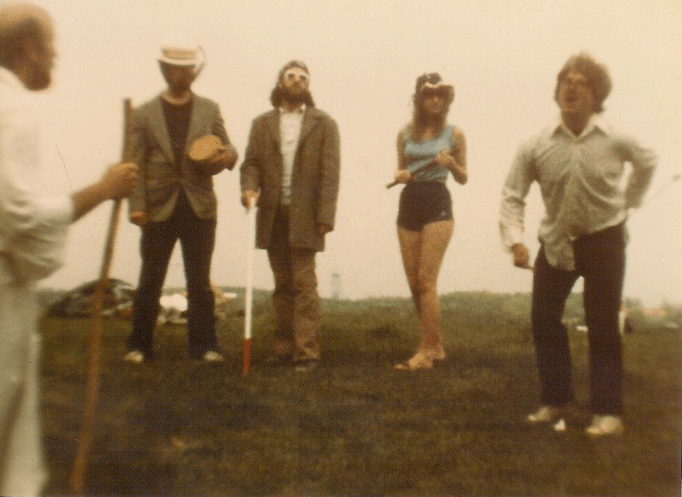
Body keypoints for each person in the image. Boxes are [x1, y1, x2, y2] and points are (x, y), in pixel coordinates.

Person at [0, 4, 137, 495]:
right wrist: (102, 190)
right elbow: (16, 214)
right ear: (28, 48)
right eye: (51, 45)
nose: (56, 56)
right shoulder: (13, 107)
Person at [499, 53, 656, 436]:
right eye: (565, 81)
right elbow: (512, 195)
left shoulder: (616, 138)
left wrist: (629, 203)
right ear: (557, 92)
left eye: (581, 82)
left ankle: (608, 413)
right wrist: (515, 241)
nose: (571, 86)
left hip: (605, 238)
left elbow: (647, 161)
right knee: (543, 320)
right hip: (556, 241)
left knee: (602, 323)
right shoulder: (536, 143)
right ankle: (557, 401)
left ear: (596, 95)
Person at [125, 44, 238, 363]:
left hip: (199, 207)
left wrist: (226, 158)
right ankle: (138, 346)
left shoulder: (209, 109)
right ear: (165, 70)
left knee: (200, 281)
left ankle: (204, 346)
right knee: (150, 278)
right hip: (157, 208)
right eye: (176, 67)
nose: (183, 73)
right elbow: (135, 163)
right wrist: (137, 205)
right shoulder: (144, 113)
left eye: (189, 67)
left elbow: (228, 148)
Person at [240, 60, 340, 372]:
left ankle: (306, 353)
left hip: (306, 215)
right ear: (280, 82)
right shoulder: (261, 123)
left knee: (303, 284)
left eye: (303, 78)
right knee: (282, 284)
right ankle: (283, 350)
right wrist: (249, 188)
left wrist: (325, 215)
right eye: (291, 76)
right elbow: (251, 163)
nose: (297, 81)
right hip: (273, 213)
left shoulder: (324, 123)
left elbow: (330, 173)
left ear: (308, 86)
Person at [391, 73, 467, 371]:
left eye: (441, 95)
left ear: (446, 100)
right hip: (410, 201)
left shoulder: (454, 134)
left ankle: (425, 352)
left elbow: (463, 177)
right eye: (429, 94)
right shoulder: (404, 133)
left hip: (437, 201)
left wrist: (452, 164)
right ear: (419, 98)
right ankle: (435, 346)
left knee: (426, 280)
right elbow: (400, 170)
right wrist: (400, 175)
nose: (435, 100)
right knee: (414, 283)